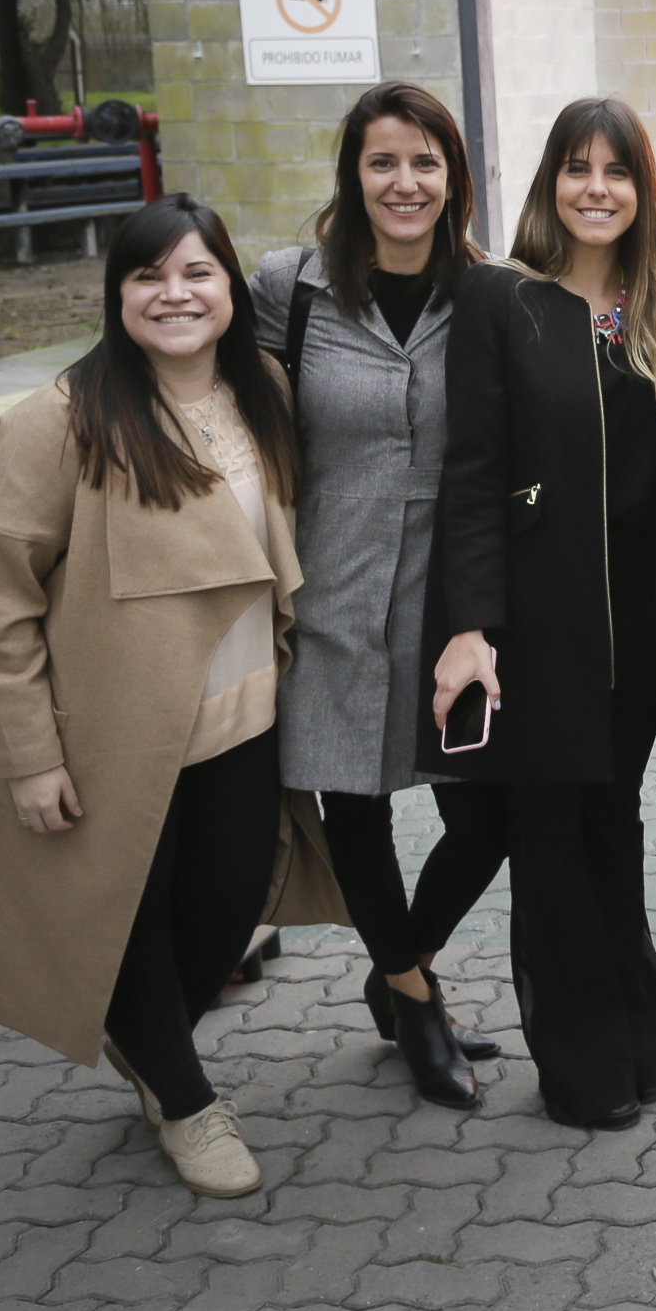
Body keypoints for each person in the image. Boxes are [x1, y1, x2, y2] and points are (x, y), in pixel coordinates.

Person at [0, 194, 325, 1197]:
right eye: (148, 276)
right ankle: (186, 1098)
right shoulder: (57, 421)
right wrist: (30, 755)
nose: (175, 294)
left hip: (242, 717)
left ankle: (153, 1045)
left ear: (230, 288)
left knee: (223, 913)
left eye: (198, 272)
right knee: (118, 922)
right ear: (117, 295)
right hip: (104, 739)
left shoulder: (267, 391)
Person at [423, 97, 656, 1130]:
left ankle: (637, 1046)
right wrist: (471, 624)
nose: (596, 188)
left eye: (617, 171)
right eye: (577, 168)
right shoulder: (503, 300)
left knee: (610, 834)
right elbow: (474, 472)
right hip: (537, 630)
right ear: (549, 183)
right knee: (550, 846)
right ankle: (580, 1071)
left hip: (635, 640)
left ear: (641, 190)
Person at [251, 82, 505, 1110]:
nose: (405, 182)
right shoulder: (292, 288)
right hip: (332, 581)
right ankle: (414, 999)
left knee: (488, 813)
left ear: (454, 177)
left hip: (449, 591)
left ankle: (398, 963)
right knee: (353, 808)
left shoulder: (486, 292)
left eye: (426, 161)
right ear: (353, 175)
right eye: (383, 162)